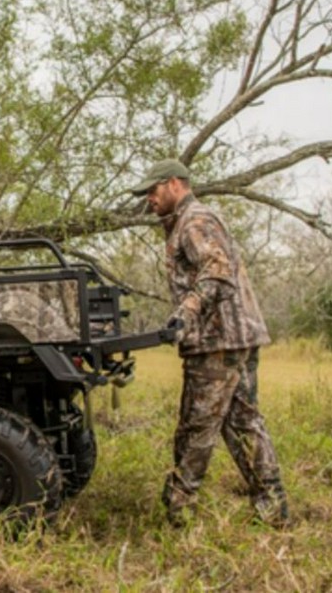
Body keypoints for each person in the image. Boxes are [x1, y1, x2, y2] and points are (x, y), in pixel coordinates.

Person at [129, 158, 289, 527]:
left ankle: (179, 509)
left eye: (152, 191)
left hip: (218, 341)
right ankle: (272, 506)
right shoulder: (184, 222)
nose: (149, 199)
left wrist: (185, 313)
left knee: (197, 426)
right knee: (244, 423)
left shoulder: (195, 220)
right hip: (235, 337)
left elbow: (217, 271)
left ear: (174, 183)